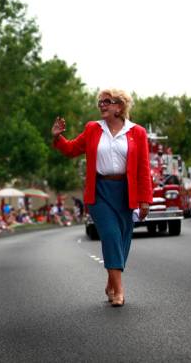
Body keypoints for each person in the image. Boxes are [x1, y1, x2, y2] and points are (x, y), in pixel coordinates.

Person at [52, 88, 152, 307]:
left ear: (119, 106)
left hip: (126, 191)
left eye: (107, 101)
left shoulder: (138, 132)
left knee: (123, 239)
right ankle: (119, 290)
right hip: (99, 191)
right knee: (110, 235)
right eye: (100, 102)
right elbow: (71, 150)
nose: (102, 105)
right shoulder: (92, 129)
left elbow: (143, 169)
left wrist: (145, 199)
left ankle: (110, 282)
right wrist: (58, 137)